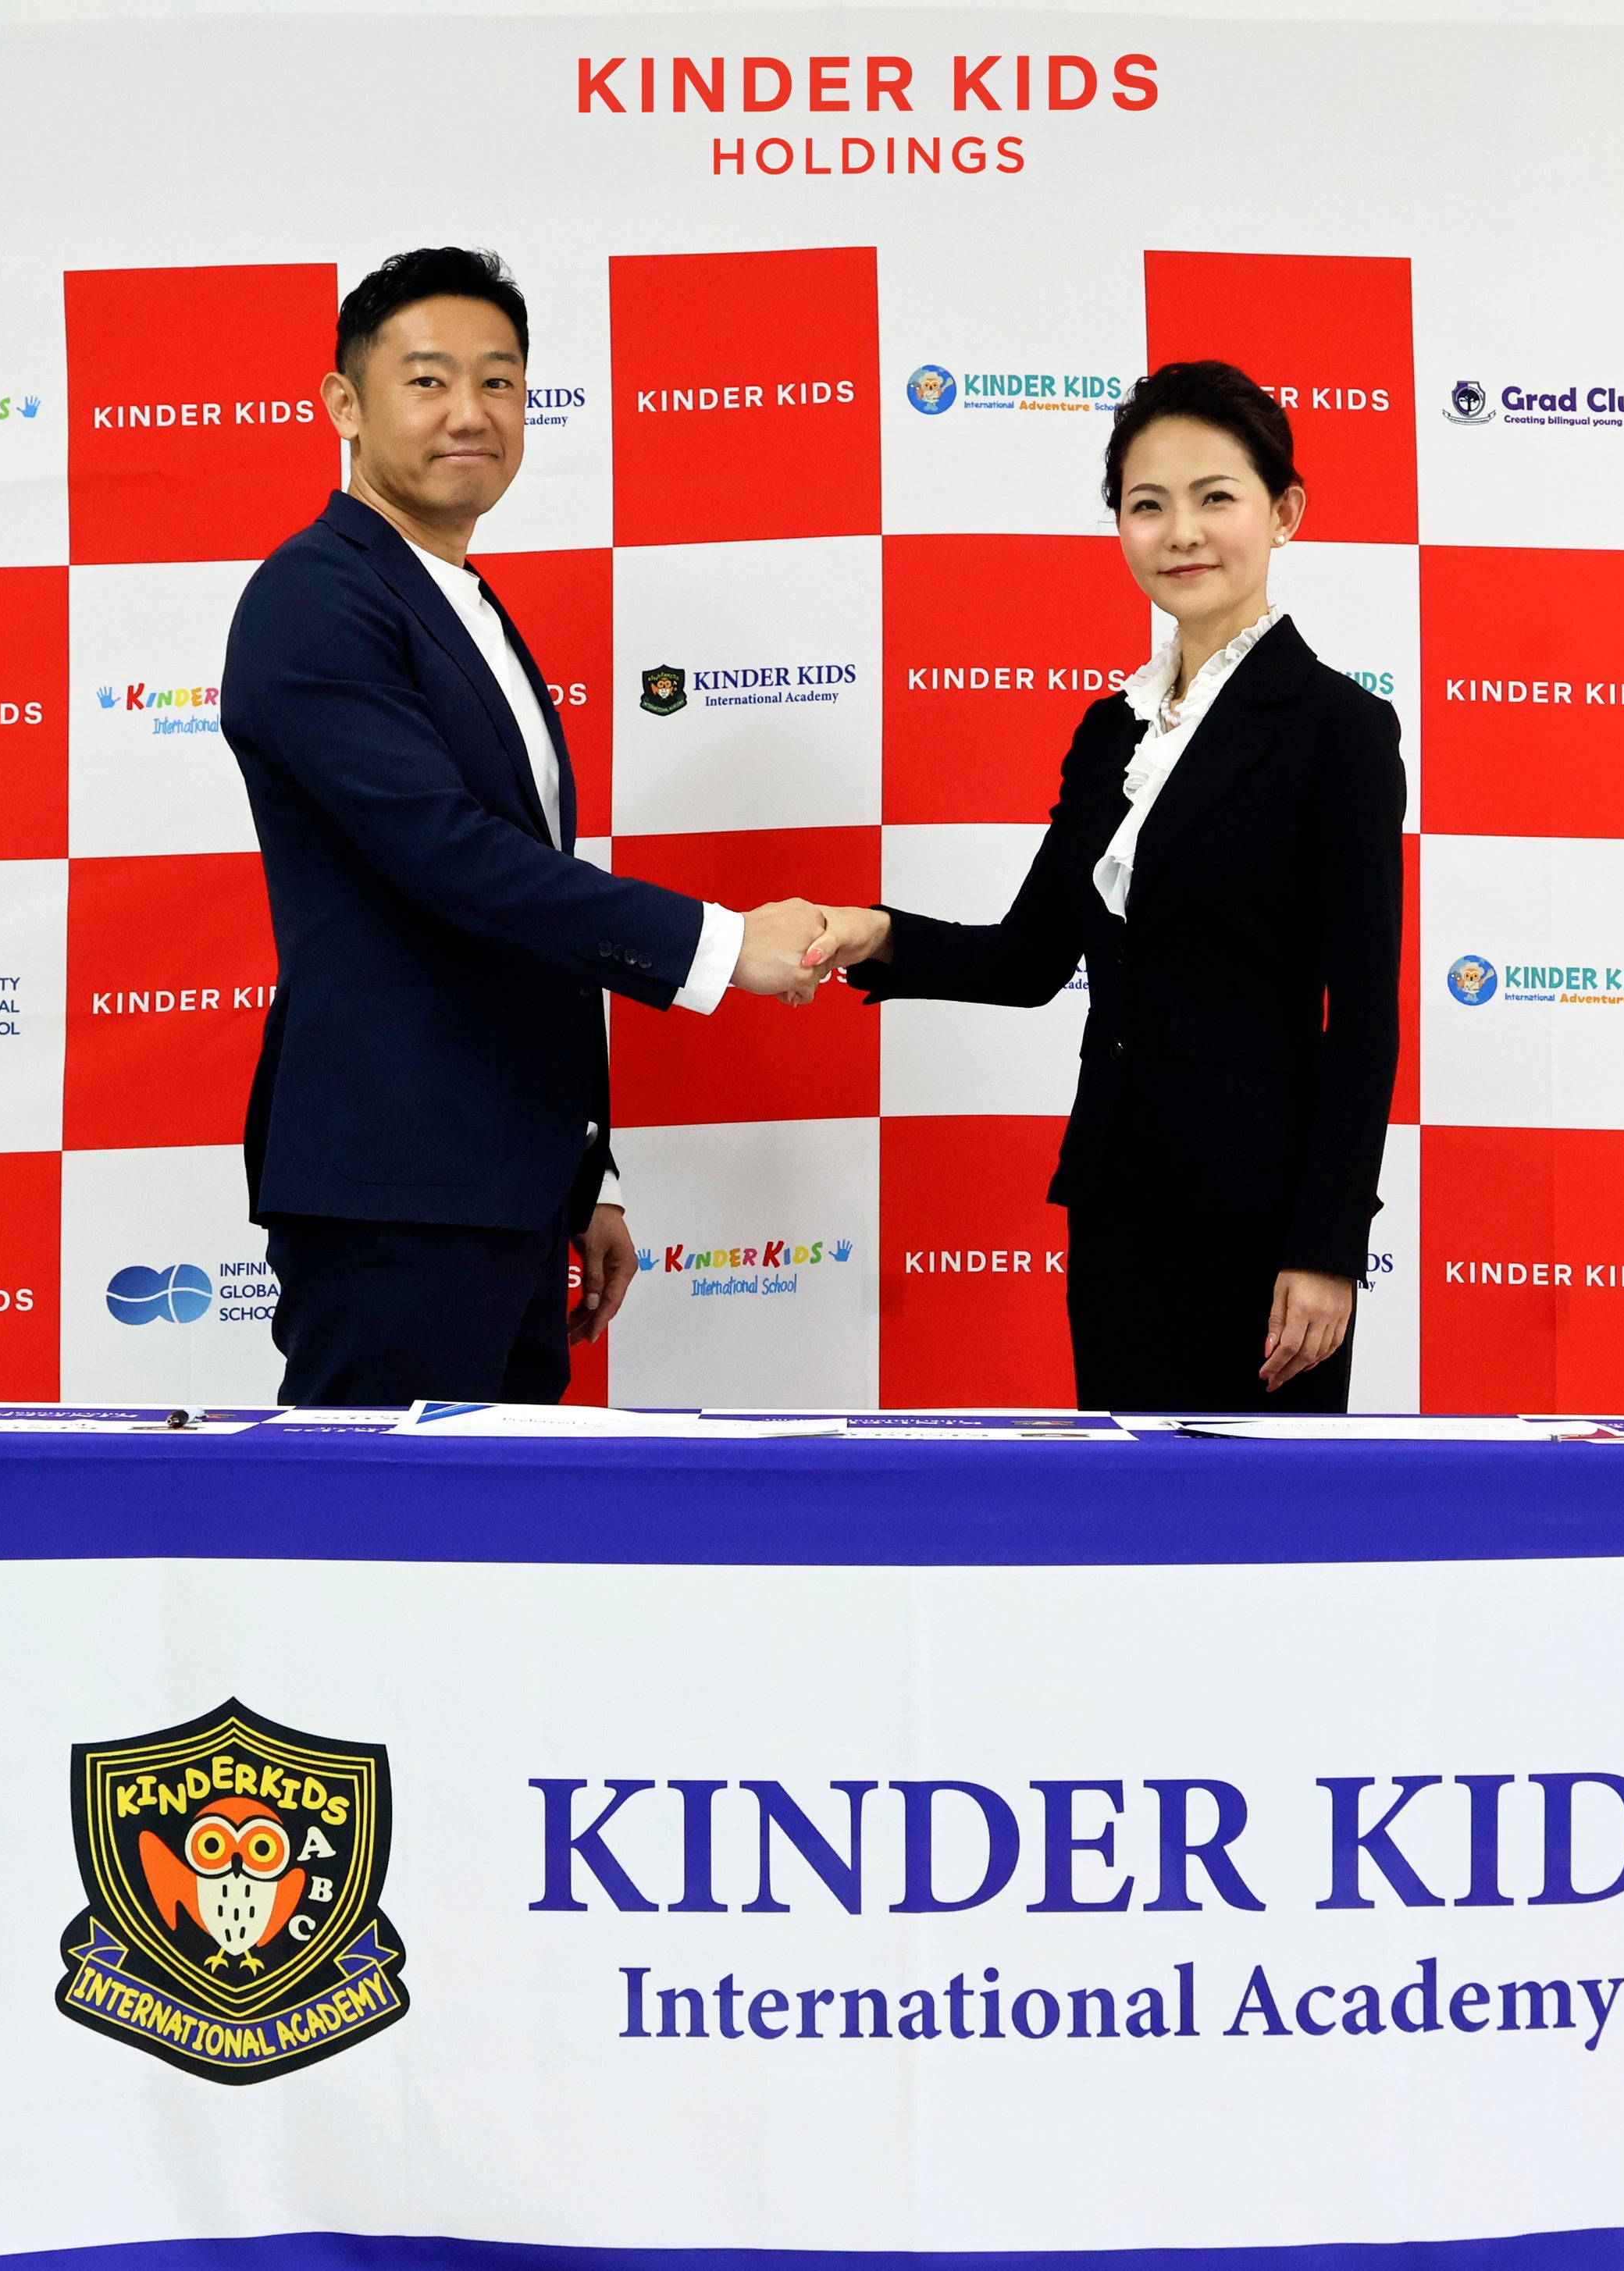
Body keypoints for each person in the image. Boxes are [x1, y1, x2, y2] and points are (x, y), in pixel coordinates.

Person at [222, 247, 830, 1405]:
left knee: (494, 1521)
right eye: (428, 379)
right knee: (383, 1516)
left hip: (505, 1187)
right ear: (344, 404)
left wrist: (587, 1174)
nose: (471, 412)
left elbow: (521, 919)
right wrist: (721, 944)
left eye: (499, 381)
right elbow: (451, 859)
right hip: (399, 1186)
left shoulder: (462, 601)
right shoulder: (315, 595)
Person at [800, 362, 1404, 1411]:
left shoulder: (1338, 730)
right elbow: (1028, 958)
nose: (1182, 533)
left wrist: (1327, 1246)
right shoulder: (1111, 731)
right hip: (1116, 1197)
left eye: (1216, 497)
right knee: (1126, 1498)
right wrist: (872, 932)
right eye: (1148, 504)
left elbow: (1362, 1021)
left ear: (1284, 513)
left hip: (1260, 1221)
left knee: (1251, 1503)